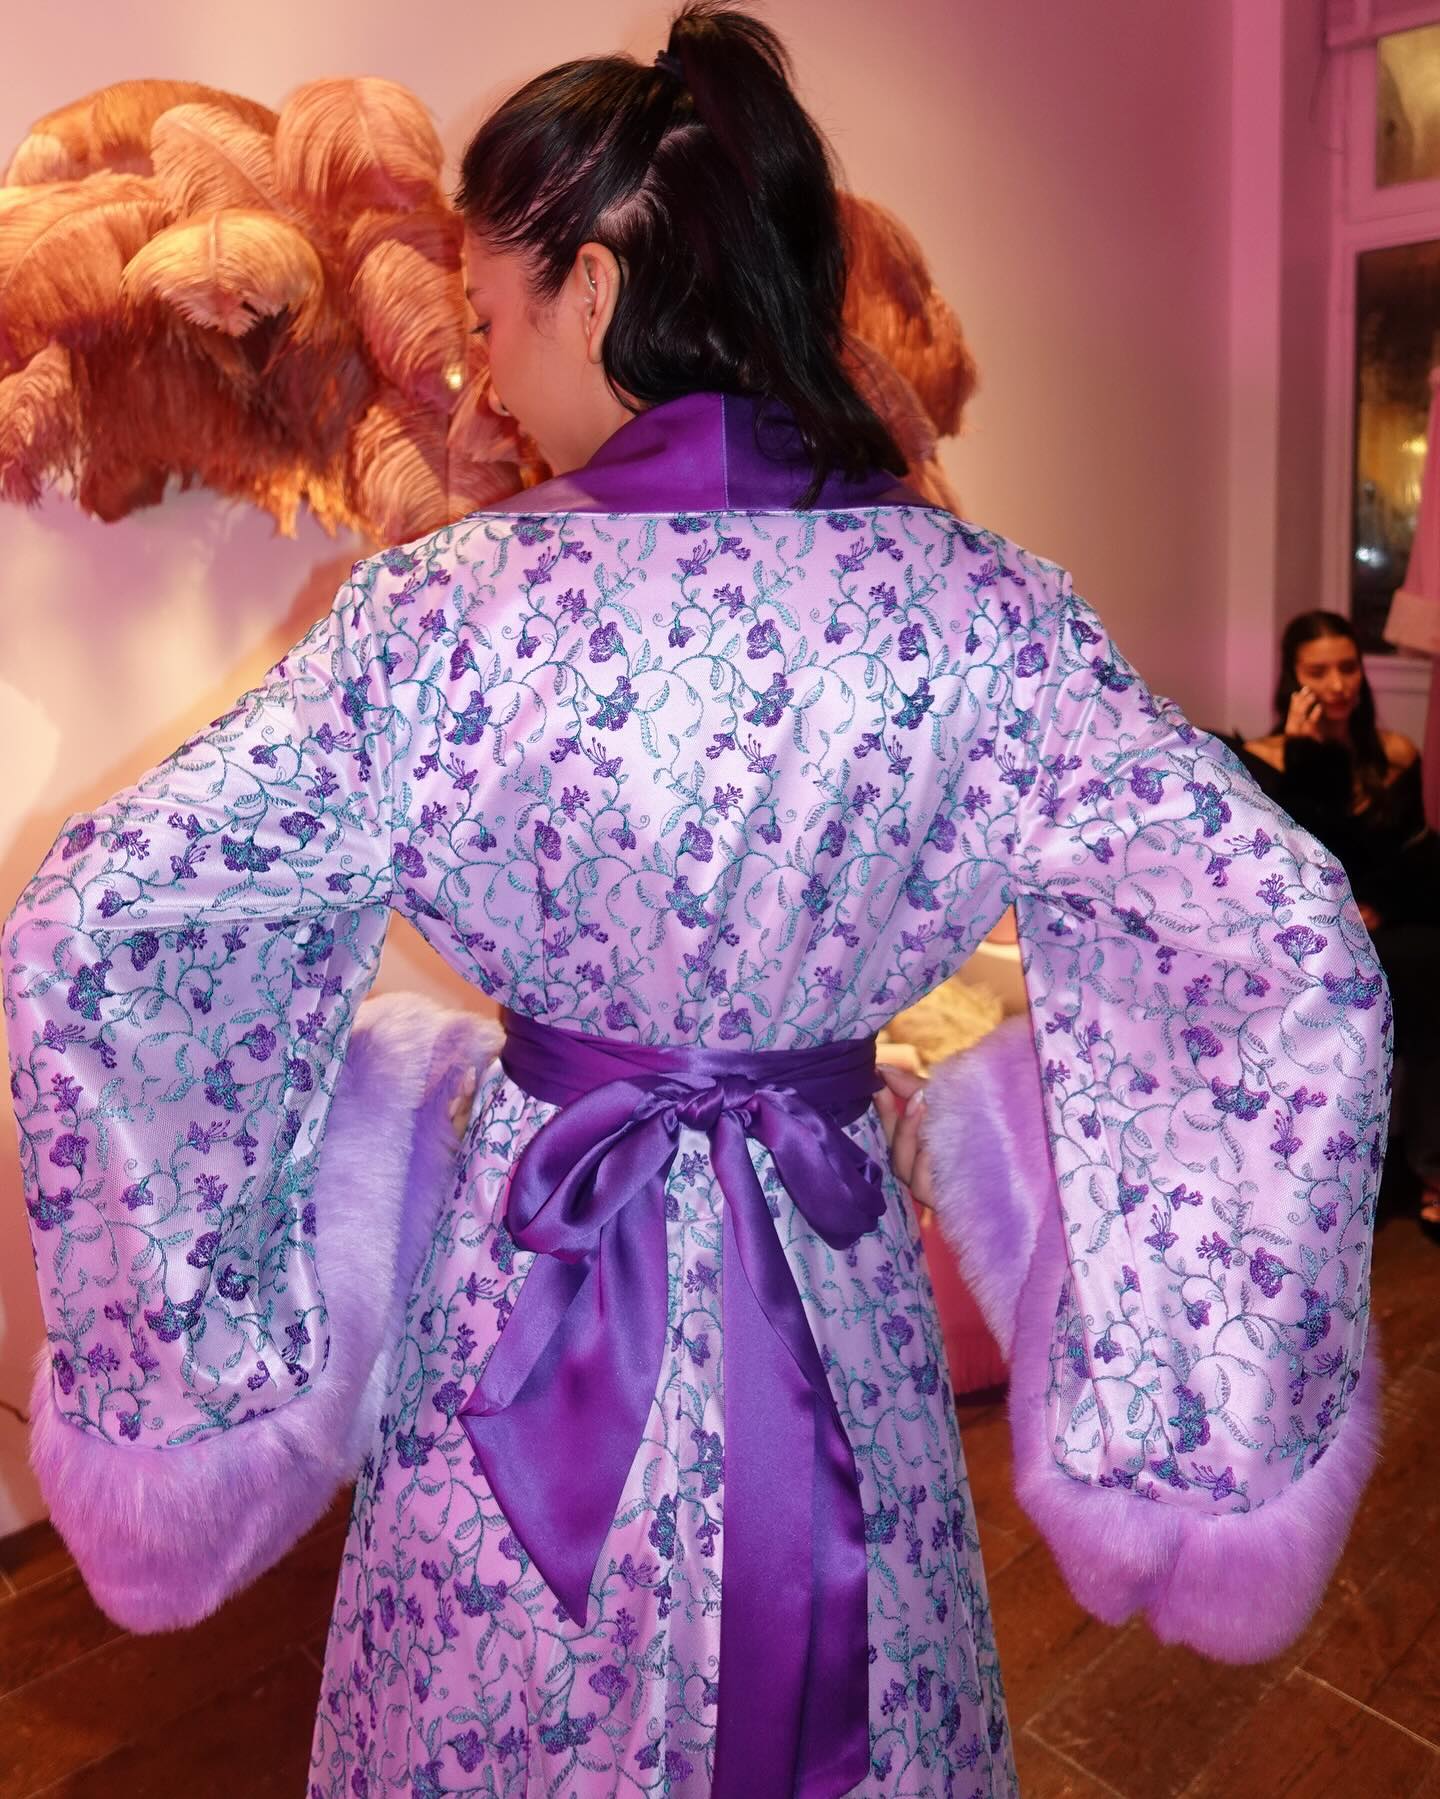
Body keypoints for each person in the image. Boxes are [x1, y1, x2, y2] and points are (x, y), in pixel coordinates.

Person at [4, 9, 1388, 1796]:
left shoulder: (438, 622)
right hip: (833, 1266)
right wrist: (1021, 1125)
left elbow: (111, 925)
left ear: (591, 289)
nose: (485, 378)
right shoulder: (983, 614)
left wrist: (372, 1112)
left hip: (528, 1271)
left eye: (492, 318)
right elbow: (1280, 943)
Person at [1234, 610, 1440, 1233]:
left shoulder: (1394, 755)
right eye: (1317, 671)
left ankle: (1429, 1166)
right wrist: (1308, 759)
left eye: (1348, 668)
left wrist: (1382, 904)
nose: (1337, 684)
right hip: (1308, 930)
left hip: (1384, 920)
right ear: (1291, 679)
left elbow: (1406, 859)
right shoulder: (1262, 758)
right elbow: (1305, 856)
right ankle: (1324, 1179)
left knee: (1430, 957)